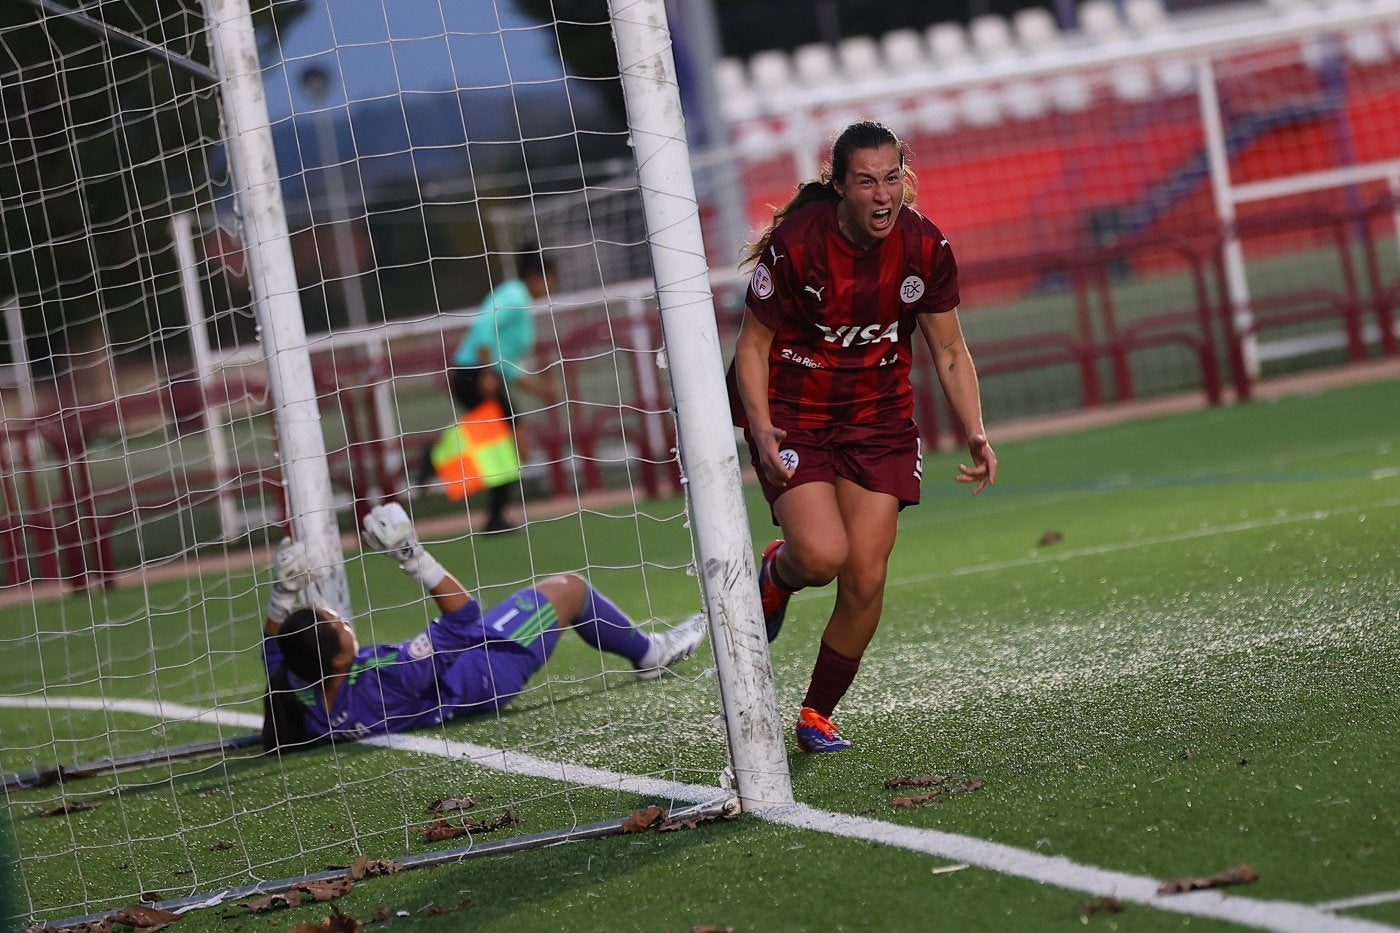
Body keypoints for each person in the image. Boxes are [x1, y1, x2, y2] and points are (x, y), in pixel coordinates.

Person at [730, 120, 998, 754]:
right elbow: (752, 346)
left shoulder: (926, 247)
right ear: (840, 188)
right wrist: (761, 426)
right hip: (796, 412)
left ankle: (817, 713)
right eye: (866, 182)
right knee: (821, 557)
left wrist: (976, 432)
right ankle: (778, 570)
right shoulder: (798, 244)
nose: (883, 196)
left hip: (878, 422)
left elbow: (951, 349)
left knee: (866, 579)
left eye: (892, 180)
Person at [261, 503, 706, 749]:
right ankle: (651, 654)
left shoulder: (305, 693)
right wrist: (411, 557)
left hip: (460, 675)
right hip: (485, 674)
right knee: (569, 589)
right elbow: (463, 618)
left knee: (560, 590)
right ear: (340, 655)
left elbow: (275, 651)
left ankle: (648, 651)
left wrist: (284, 595)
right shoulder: (388, 679)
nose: (342, 618)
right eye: (337, 622)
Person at [419, 248, 559, 533]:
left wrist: (540, 390)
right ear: (536, 277)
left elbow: (507, 366)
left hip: (478, 373)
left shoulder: (520, 301)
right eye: (550, 279)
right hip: (471, 373)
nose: (552, 286)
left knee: (503, 443)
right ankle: (434, 459)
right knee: (512, 441)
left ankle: (494, 515)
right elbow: (484, 328)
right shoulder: (515, 296)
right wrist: (485, 372)